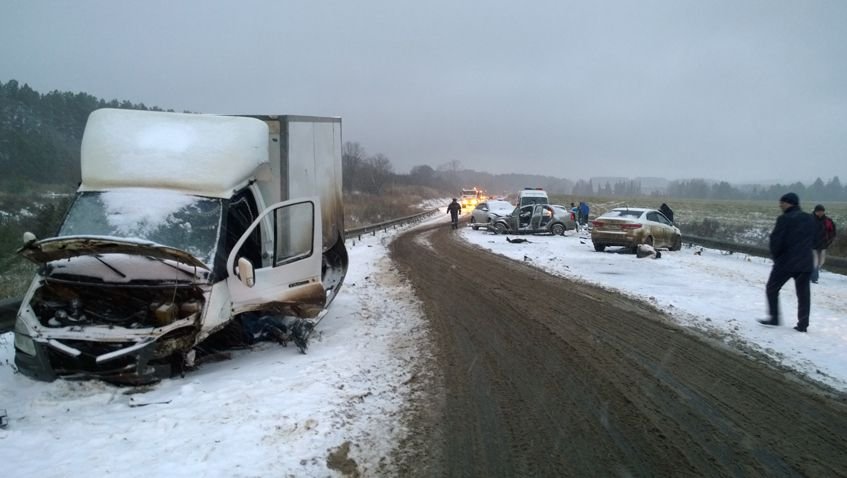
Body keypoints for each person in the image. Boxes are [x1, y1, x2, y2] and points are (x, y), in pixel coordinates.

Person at [759, 193, 817, 332]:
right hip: (805, 261)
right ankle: (803, 324)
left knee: (772, 288)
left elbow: (776, 240)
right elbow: (815, 238)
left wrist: (776, 257)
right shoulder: (810, 218)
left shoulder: (784, 219)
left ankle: (774, 317)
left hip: (786, 262)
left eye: (782, 202)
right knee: (803, 295)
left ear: (789, 203)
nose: (780, 205)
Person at [811, 204, 837, 284]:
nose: (820, 213)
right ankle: (814, 278)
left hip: (823, 245)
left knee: (821, 262)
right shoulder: (809, 219)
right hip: (812, 245)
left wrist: (829, 241)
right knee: (815, 261)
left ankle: (810, 274)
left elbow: (832, 232)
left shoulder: (828, 221)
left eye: (822, 211)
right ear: (815, 211)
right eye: (818, 211)